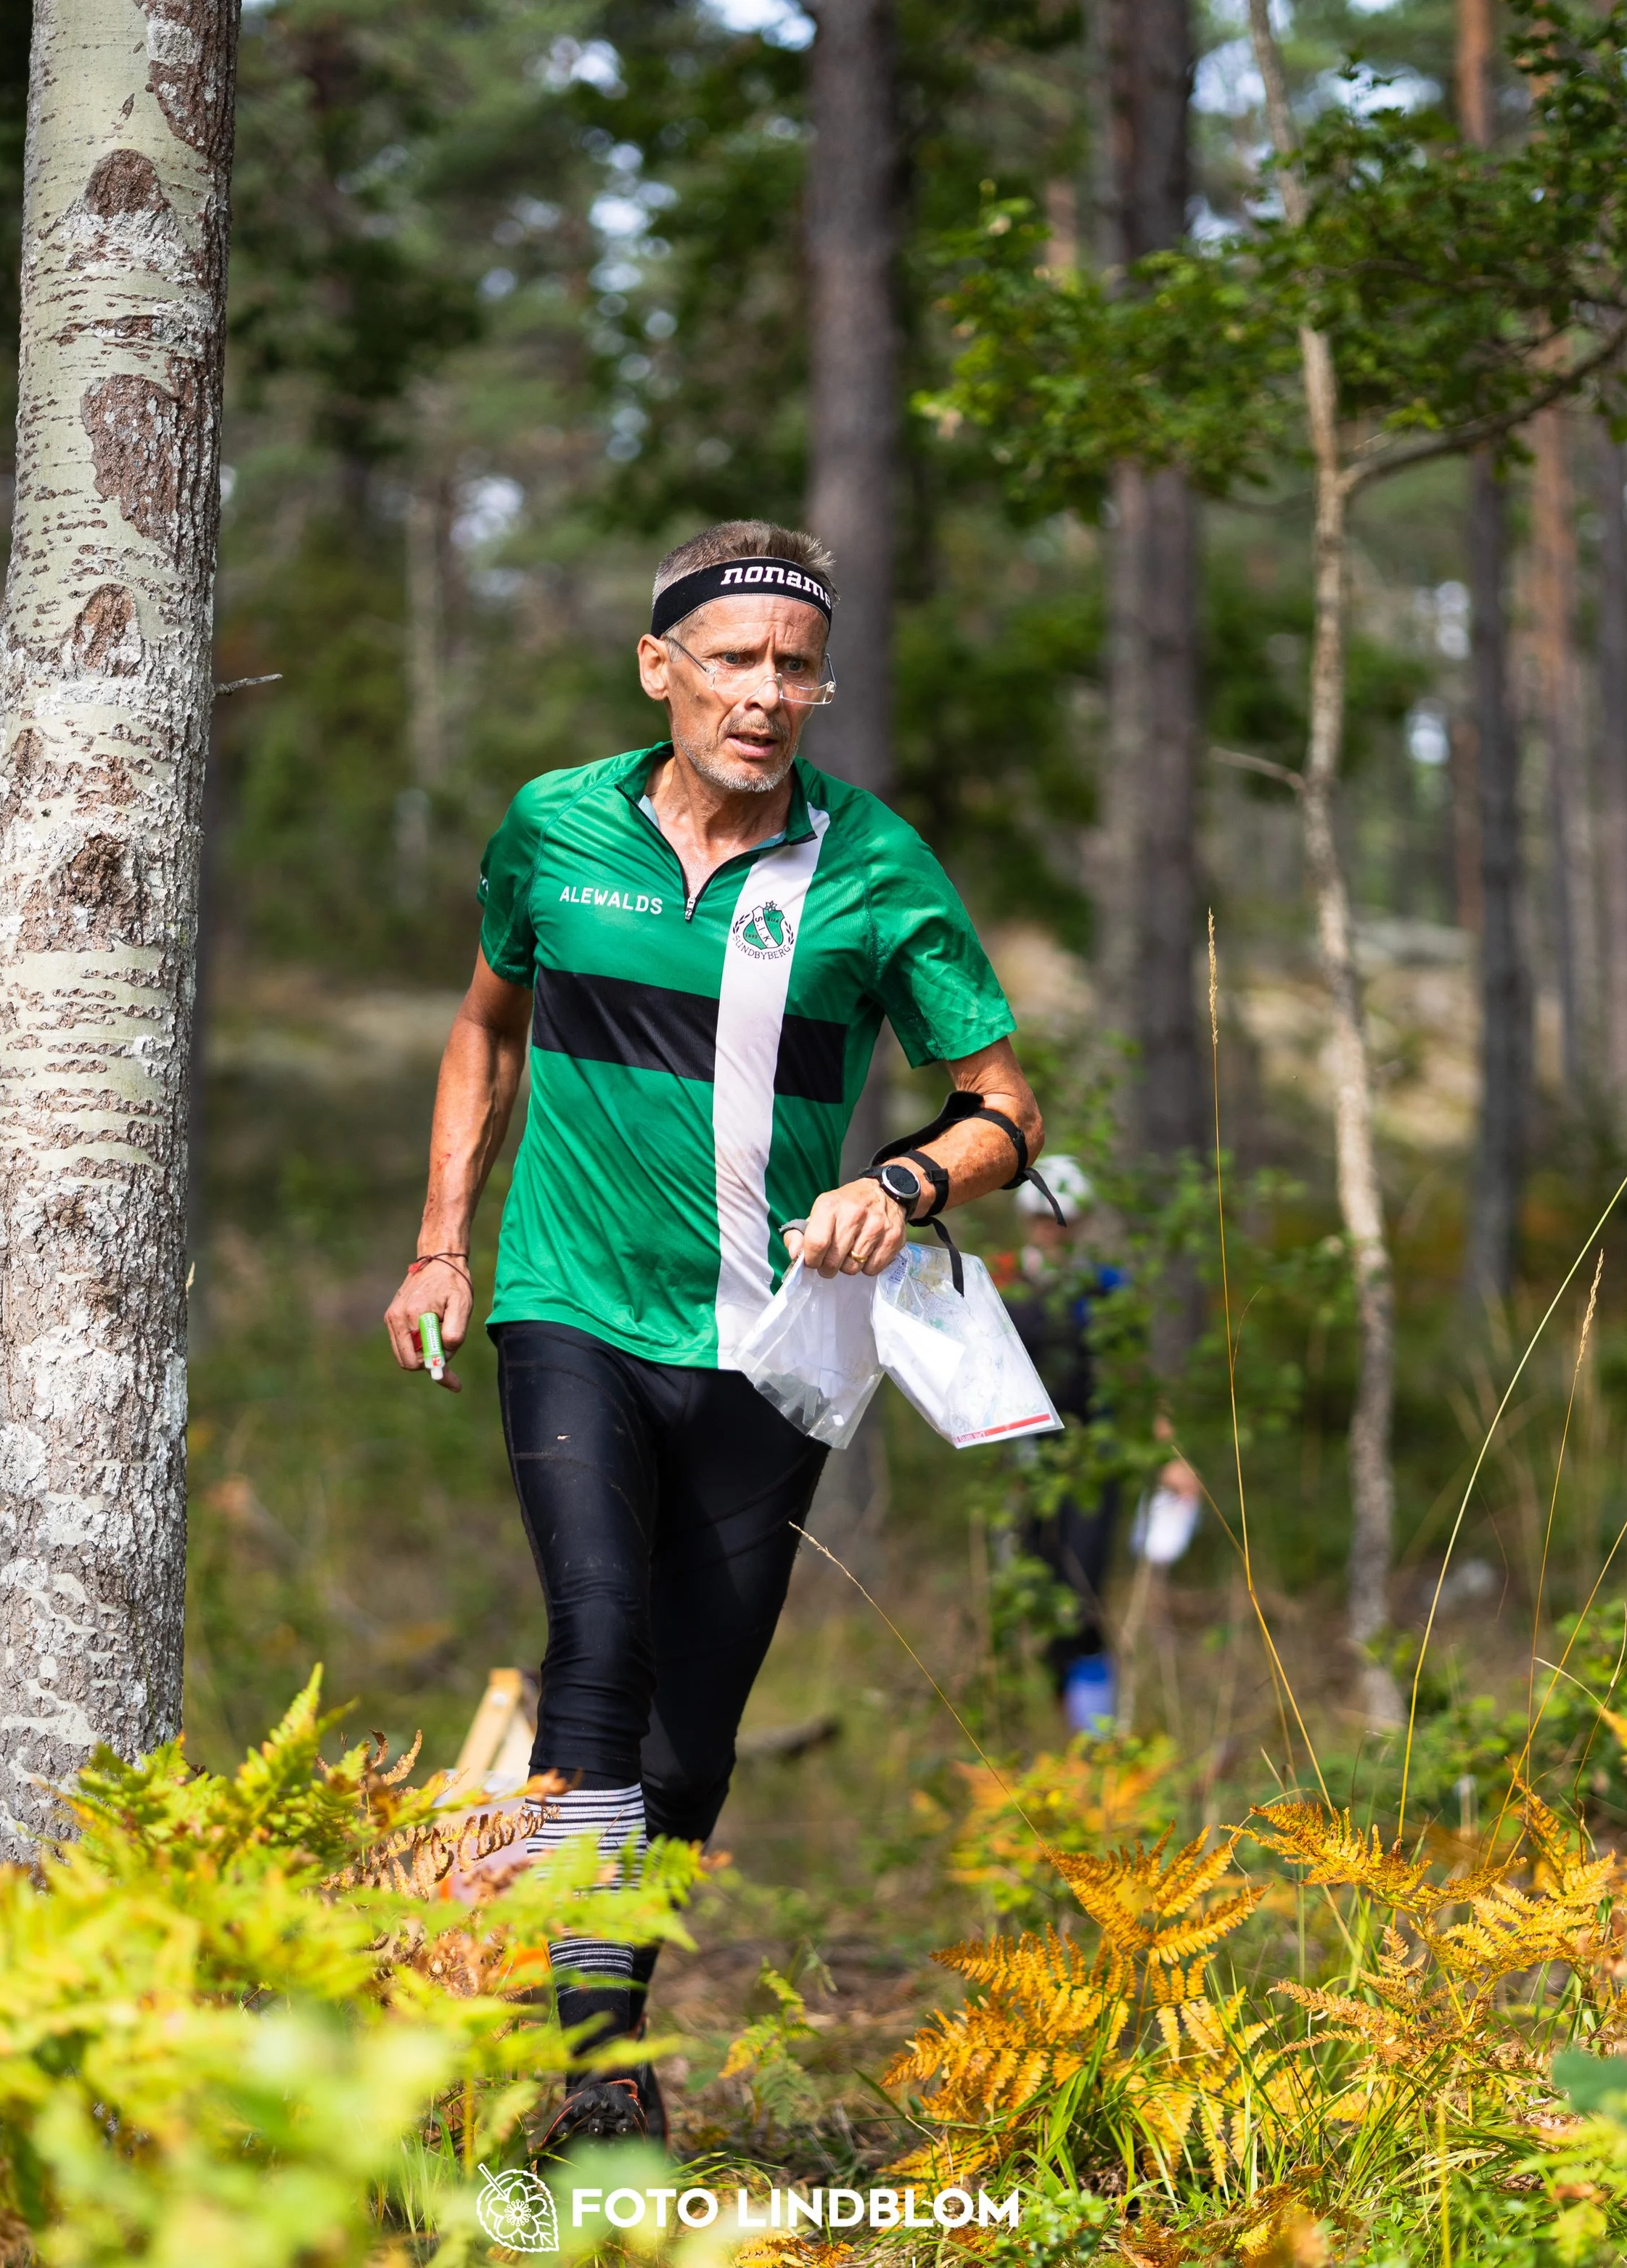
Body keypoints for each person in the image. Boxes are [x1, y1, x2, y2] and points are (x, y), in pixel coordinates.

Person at [382, 520, 1045, 2149]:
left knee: (690, 1737)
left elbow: (1005, 1107)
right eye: (732, 659)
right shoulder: (551, 825)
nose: (763, 695)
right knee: (593, 1639)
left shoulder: (874, 864)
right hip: (568, 1306)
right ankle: (597, 2067)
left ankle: (582, 1989)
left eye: (794, 666)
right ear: (657, 666)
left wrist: (905, 1174)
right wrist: (436, 1244)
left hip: (770, 1345)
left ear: (821, 685)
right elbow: (485, 1031)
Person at [1004, 1160, 1201, 1734]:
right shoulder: (1004, 1281)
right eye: (1042, 1216)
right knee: (1037, 1593)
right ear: (1027, 1219)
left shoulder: (1107, 1285)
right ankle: (1059, 1721)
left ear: (1082, 1221)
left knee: (1081, 1589)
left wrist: (1169, 1455)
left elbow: (1135, 1377)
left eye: (1063, 1218)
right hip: (1027, 1465)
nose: (1052, 1227)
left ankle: (1098, 1737)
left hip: (1096, 1460)